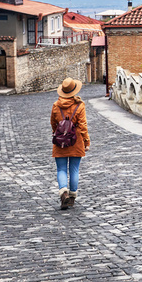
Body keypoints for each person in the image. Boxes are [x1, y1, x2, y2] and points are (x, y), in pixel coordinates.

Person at [50, 77, 90, 210]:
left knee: (61, 169)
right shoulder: (80, 105)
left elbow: (53, 123)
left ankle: (63, 193)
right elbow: (83, 125)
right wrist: (86, 141)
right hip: (76, 140)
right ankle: (72, 197)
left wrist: (57, 132)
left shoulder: (56, 105)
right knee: (74, 169)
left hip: (60, 141)